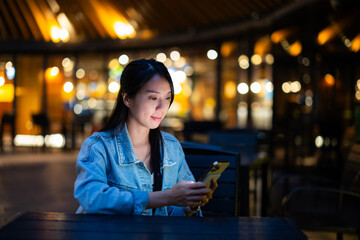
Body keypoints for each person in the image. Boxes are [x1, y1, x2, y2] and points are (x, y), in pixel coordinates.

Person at [74, 58, 217, 216]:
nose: (162, 108)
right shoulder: (98, 146)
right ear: (127, 98)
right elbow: (93, 199)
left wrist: (189, 205)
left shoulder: (171, 147)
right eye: (153, 98)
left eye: (167, 98)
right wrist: (167, 197)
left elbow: (172, 214)